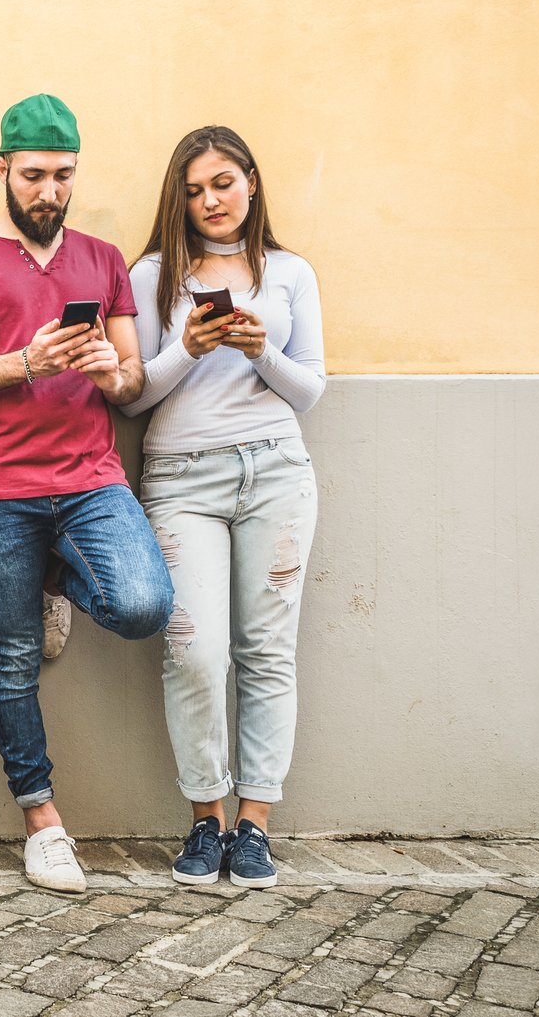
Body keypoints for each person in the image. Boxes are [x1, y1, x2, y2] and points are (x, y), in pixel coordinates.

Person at [0, 94, 173, 894]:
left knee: (142, 605)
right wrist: (24, 362)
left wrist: (109, 372)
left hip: (91, 479)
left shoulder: (102, 258)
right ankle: (42, 823)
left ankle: (55, 579)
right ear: (1, 168)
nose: (48, 191)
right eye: (32, 175)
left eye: (62, 175)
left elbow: (130, 379)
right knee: (12, 655)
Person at [122, 126, 325, 889]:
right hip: (180, 478)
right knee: (195, 649)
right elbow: (133, 395)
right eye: (193, 189)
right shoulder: (152, 274)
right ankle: (205, 816)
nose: (209, 200)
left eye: (222, 183)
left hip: (274, 471)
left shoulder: (290, 272)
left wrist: (256, 349)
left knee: (267, 649)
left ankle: (254, 824)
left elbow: (309, 388)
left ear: (250, 181)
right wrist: (189, 346)